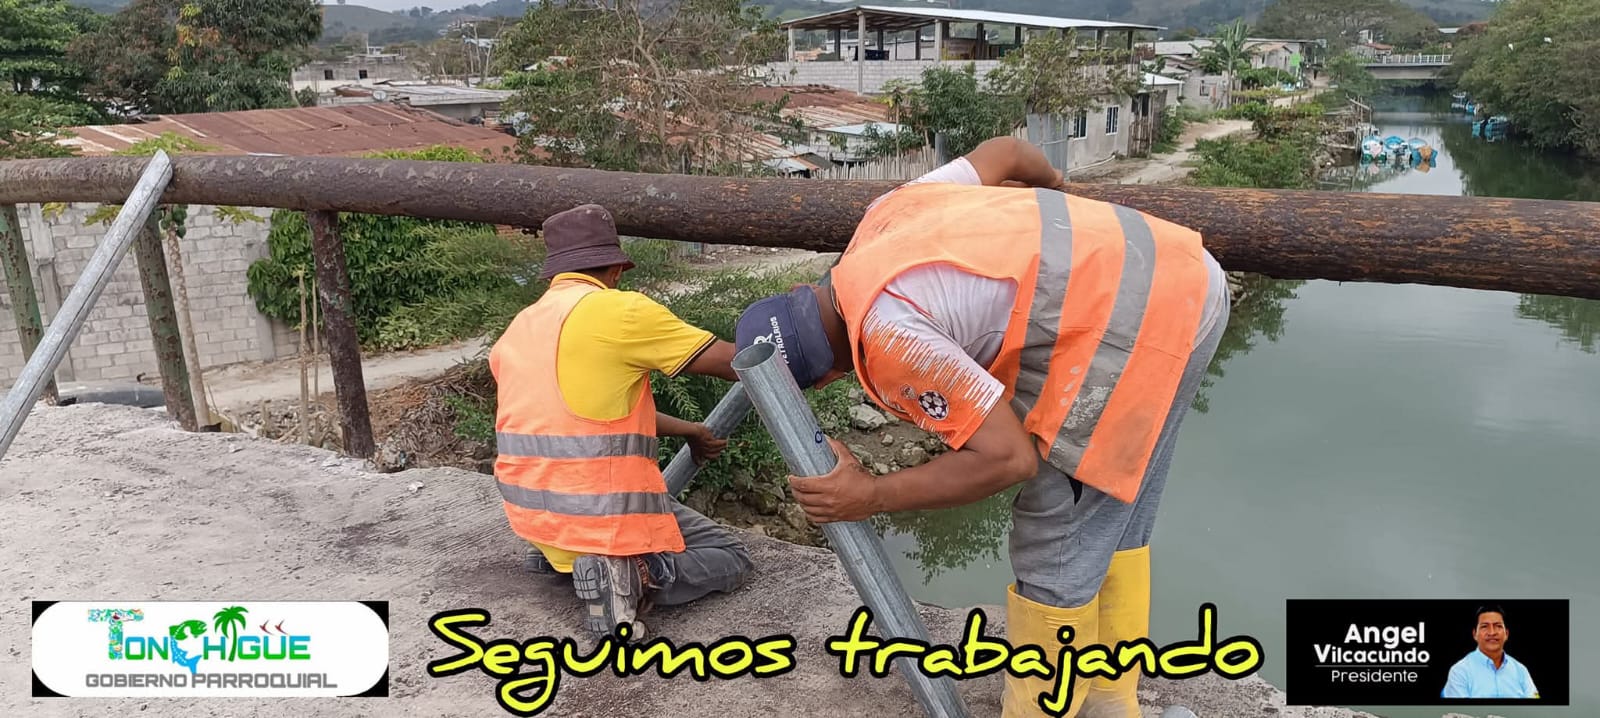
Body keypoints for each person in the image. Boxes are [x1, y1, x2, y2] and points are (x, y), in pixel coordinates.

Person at [733, 136, 1229, 718]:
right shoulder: (884, 218)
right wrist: (1061, 200)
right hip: (1183, 274)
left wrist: (871, 494)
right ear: (800, 291)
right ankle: (1109, 701)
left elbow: (1007, 460)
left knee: (1056, 531)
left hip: (1143, 326)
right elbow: (1010, 153)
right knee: (1114, 514)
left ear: (825, 379)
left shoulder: (887, 338)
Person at [489, 203, 753, 641]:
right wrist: (799, 344)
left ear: (554, 273)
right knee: (731, 555)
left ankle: (564, 563)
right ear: (615, 269)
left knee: (585, 529)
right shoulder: (620, 311)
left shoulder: (520, 327)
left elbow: (587, 420)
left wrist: (691, 431)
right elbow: (735, 362)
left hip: (536, 519)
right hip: (596, 514)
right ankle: (637, 574)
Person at [1442, 605, 1539, 699]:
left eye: (1498, 626)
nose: (1492, 632)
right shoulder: (1459, 672)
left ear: (1506, 634)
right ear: (1474, 634)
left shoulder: (1521, 671)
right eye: (1484, 626)